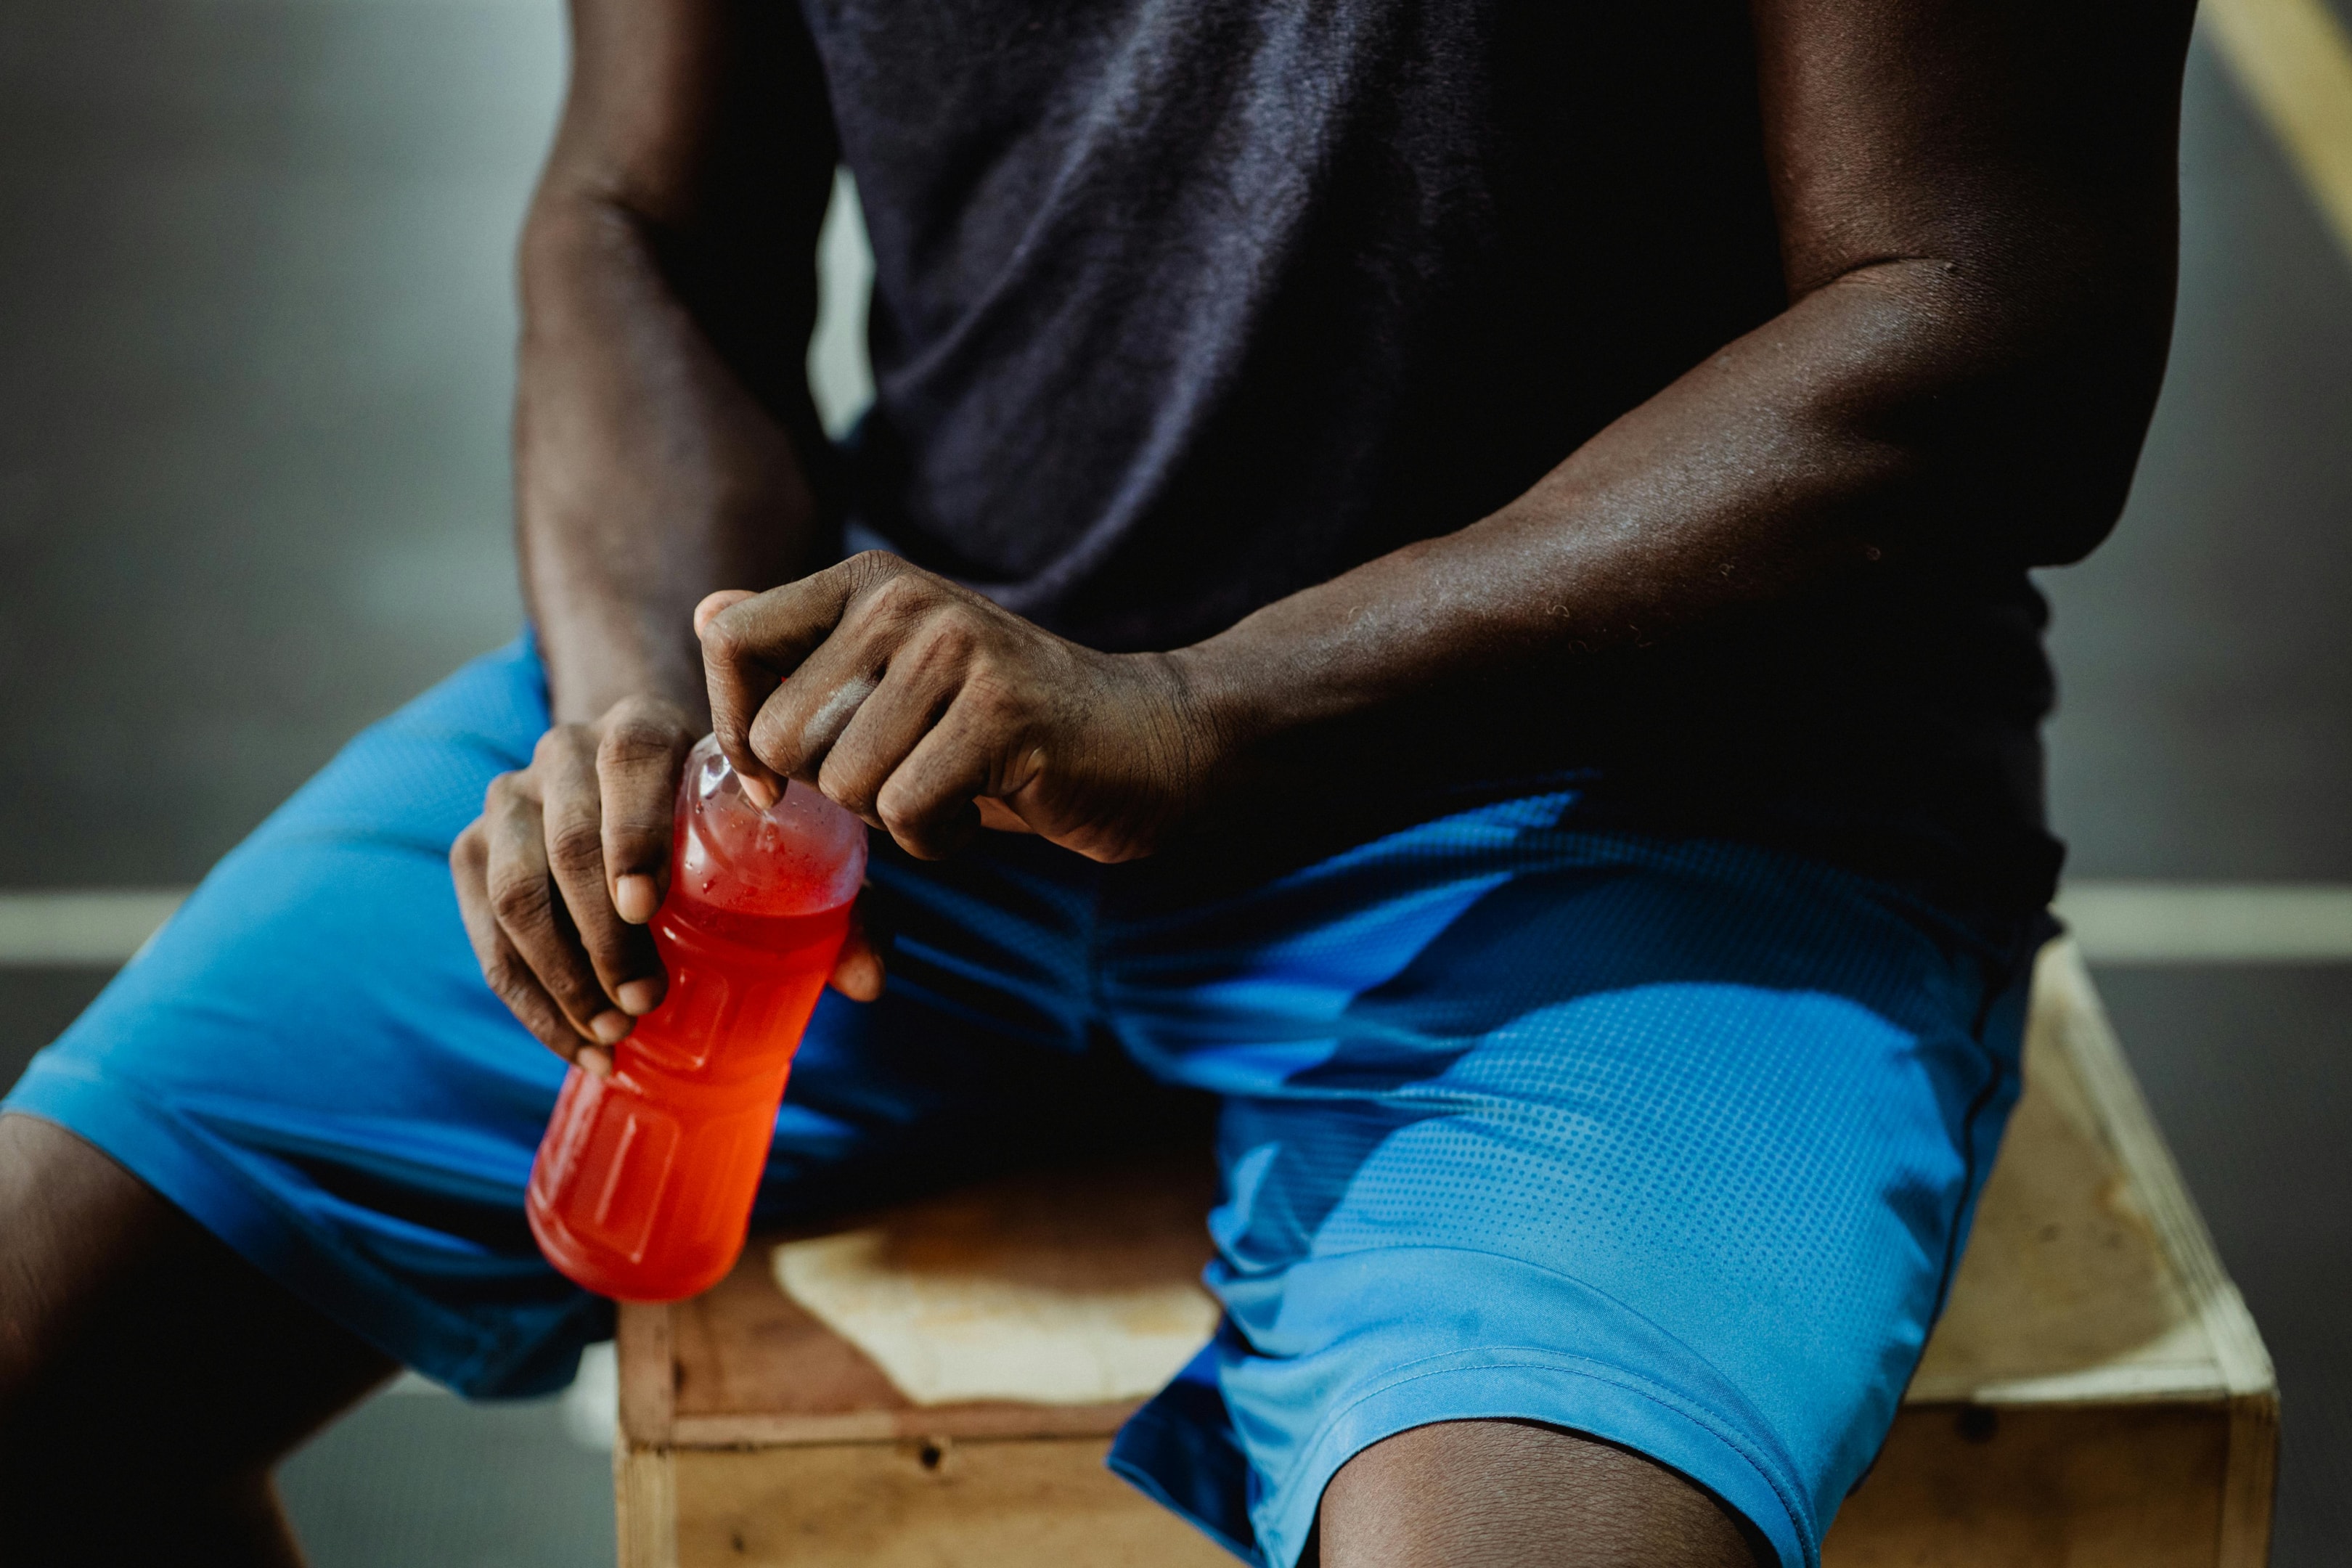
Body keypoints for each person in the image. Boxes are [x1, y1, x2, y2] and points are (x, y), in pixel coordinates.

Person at [0, 0, 2197, 1561]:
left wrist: (1222, 710)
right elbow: (636, 215)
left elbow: (1990, 327)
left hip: (1640, 803)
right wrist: (651, 732)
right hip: (920, 727)